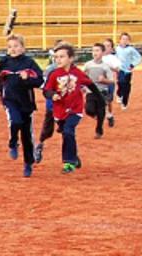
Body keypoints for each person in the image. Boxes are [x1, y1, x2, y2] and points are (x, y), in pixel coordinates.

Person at [0, 34, 43, 178]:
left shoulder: (29, 63)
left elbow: (39, 80)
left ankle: (28, 163)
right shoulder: (4, 62)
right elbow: (0, 78)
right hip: (10, 100)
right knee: (15, 121)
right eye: (10, 47)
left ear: (23, 48)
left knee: (27, 135)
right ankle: (13, 142)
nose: (13, 49)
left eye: (16, 46)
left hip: (26, 102)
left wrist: (27, 78)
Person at [43, 42, 91, 173]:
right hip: (59, 111)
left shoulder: (78, 73)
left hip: (75, 109)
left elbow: (90, 84)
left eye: (62, 57)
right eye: (56, 57)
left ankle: (68, 162)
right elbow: (46, 90)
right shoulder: (53, 74)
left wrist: (99, 100)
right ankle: (74, 157)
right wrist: (52, 95)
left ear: (71, 58)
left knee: (68, 131)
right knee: (67, 133)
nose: (58, 59)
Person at [83, 43, 115, 139]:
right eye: (93, 50)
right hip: (90, 91)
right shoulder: (88, 65)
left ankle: (99, 131)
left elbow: (112, 81)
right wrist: (83, 85)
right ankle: (96, 115)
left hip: (102, 92)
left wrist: (104, 80)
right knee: (89, 109)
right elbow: (83, 75)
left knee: (101, 112)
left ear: (103, 52)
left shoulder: (105, 66)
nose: (95, 53)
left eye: (97, 50)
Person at [115, 32, 142, 108]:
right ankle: (119, 94)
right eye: (123, 39)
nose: (124, 41)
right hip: (119, 69)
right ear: (120, 40)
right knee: (120, 82)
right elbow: (113, 57)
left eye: (126, 39)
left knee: (126, 86)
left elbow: (139, 58)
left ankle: (124, 102)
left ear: (129, 41)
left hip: (128, 70)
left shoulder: (131, 49)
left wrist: (133, 64)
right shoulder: (116, 49)